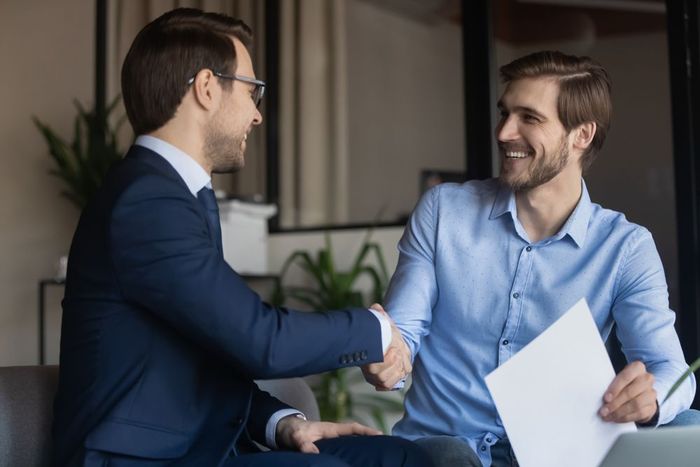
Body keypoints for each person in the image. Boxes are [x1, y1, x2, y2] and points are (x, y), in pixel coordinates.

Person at [52, 8, 426, 467]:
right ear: (208, 88)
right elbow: (261, 340)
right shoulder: (146, 200)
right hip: (139, 460)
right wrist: (379, 329)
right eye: (254, 92)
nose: (257, 116)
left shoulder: (175, 195)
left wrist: (283, 423)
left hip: (200, 447)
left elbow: (205, 356)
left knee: (400, 458)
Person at [362, 51, 699, 467]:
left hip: (558, 455)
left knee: (688, 422)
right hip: (446, 447)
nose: (504, 132)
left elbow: (671, 371)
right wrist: (391, 359)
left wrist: (650, 400)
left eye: (529, 118)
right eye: (504, 113)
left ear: (581, 135)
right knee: (446, 455)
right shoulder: (443, 211)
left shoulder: (625, 247)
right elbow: (404, 332)